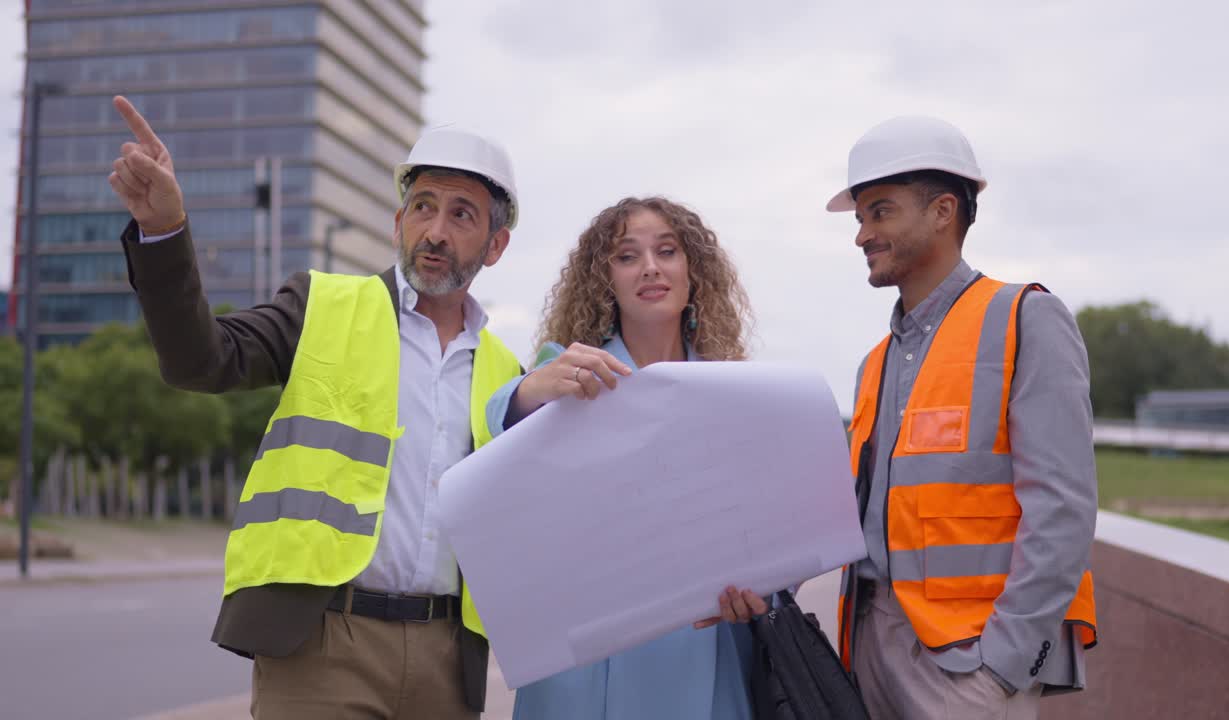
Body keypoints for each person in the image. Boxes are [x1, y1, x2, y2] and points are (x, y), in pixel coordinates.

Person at [106, 95, 525, 719]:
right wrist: (164, 233)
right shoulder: (321, 306)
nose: (435, 231)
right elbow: (200, 360)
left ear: (495, 245)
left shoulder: (507, 375)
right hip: (323, 644)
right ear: (398, 222)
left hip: (447, 658)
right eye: (423, 206)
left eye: (461, 214)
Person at [828, 116, 1099, 719]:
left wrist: (1003, 667)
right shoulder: (875, 363)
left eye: (880, 212)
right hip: (868, 645)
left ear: (943, 211)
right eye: (860, 218)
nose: (862, 234)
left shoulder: (1025, 319)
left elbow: (1062, 508)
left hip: (969, 665)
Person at [483, 196, 758, 719]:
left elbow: (769, 531)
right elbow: (499, 432)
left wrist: (761, 594)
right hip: (584, 675)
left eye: (667, 251)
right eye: (627, 256)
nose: (650, 267)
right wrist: (528, 391)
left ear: (693, 270)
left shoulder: (733, 393)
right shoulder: (566, 375)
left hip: (705, 658)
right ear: (605, 280)